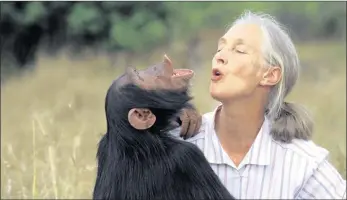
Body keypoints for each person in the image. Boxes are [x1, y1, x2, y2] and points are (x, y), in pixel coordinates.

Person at [171, 10, 346, 199]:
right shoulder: (179, 143)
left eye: (239, 50)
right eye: (219, 48)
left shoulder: (304, 164)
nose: (219, 56)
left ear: (270, 75)